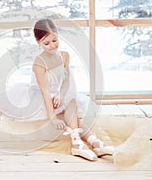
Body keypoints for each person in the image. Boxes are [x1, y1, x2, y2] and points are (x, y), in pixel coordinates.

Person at [31, 18, 114, 161]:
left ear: (57, 35)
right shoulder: (39, 63)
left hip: (58, 94)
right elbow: (44, 92)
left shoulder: (64, 55)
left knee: (72, 101)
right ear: (38, 43)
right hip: (41, 97)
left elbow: (66, 80)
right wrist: (53, 118)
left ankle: (82, 143)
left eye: (55, 40)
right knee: (71, 112)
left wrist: (60, 94)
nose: (52, 46)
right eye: (46, 43)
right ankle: (90, 141)